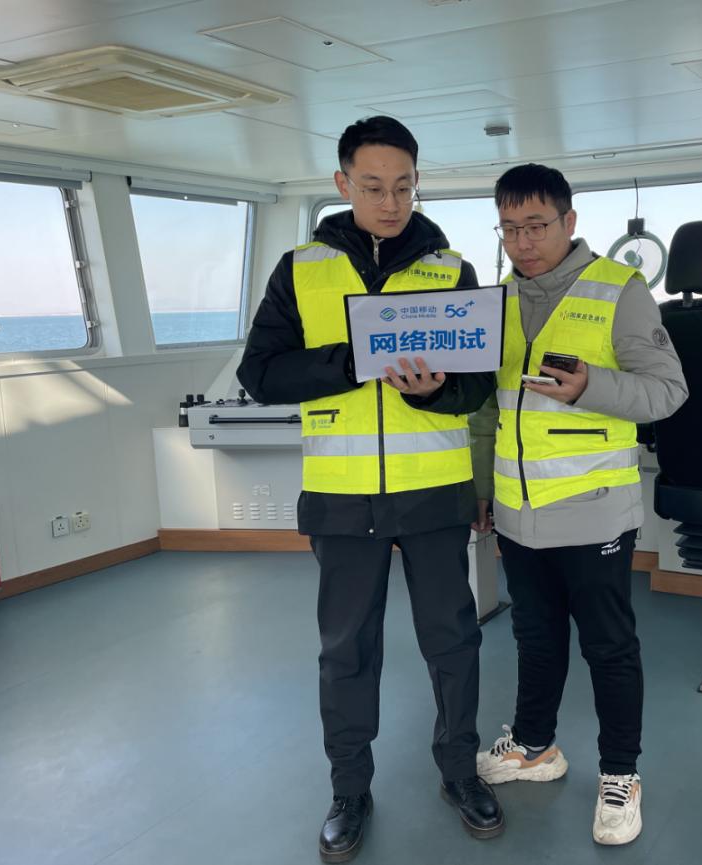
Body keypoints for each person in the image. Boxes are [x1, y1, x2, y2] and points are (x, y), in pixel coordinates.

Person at [236, 115, 502, 863]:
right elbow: (260, 374)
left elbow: (478, 386)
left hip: (434, 493)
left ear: (418, 184)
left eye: (404, 187)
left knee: (453, 642)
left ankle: (460, 772)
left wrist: (433, 392)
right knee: (345, 651)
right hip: (341, 497)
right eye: (374, 187)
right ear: (343, 183)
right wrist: (351, 360)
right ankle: (349, 789)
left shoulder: (451, 271)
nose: (391, 202)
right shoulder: (300, 270)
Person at [405, 163, 687, 845]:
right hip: (516, 510)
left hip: (594, 507)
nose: (522, 243)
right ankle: (535, 746)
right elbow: (485, 408)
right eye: (508, 228)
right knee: (534, 636)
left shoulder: (619, 290)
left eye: (536, 226)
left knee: (608, 646)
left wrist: (592, 387)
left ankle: (620, 773)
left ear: (569, 222)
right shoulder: (493, 302)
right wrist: (481, 487)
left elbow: (667, 391)